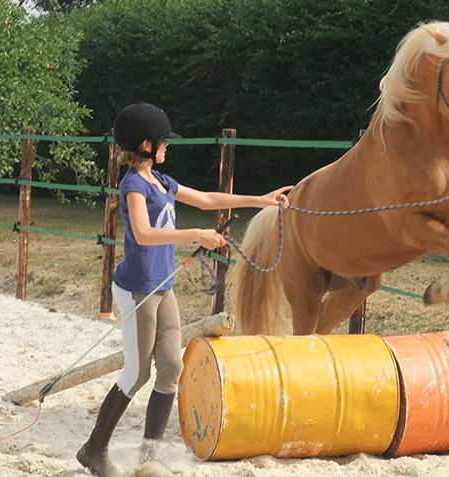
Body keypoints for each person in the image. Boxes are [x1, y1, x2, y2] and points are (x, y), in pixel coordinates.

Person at [77, 102, 292, 477]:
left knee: (171, 366)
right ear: (146, 144)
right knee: (137, 372)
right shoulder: (133, 185)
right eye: (162, 140)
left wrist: (260, 200)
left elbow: (207, 199)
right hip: (138, 290)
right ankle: (94, 450)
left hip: (163, 287)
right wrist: (196, 234)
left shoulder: (162, 181)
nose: (167, 146)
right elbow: (143, 234)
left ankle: (149, 456)